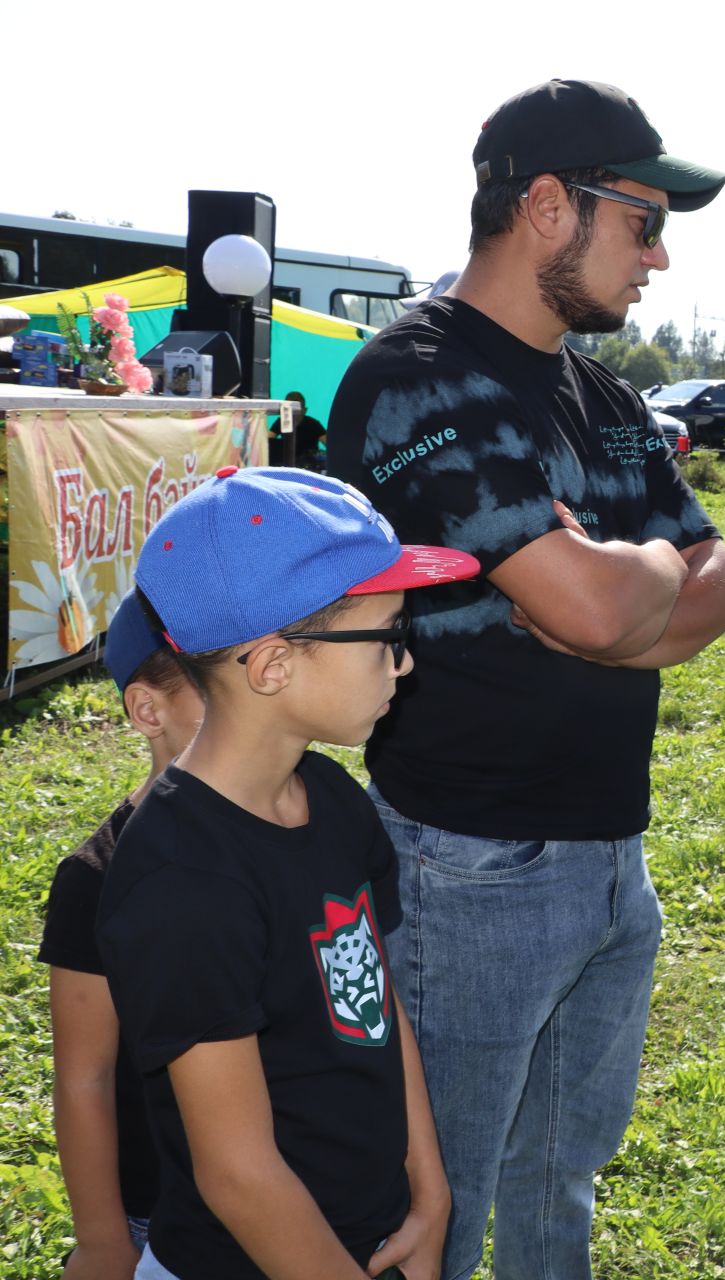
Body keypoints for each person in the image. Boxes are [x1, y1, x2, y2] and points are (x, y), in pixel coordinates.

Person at [325, 79, 725, 1280]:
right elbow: (608, 603)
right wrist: (638, 583)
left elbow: (712, 588)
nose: (660, 256)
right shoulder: (420, 374)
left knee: (560, 1178)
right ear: (548, 206)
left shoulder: (600, 392)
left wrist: (628, 581)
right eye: (644, 221)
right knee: (432, 1202)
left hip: (614, 855)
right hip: (470, 864)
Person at [98, 467, 477, 1280]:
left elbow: (374, 1005)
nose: (403, 665)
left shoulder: (334, 799)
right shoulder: (180, 880)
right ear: (272, 666)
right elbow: (239, 1175)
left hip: (373, 1233)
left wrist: (431, 1194)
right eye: (388, 637)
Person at [38, 602, 203, 1280]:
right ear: (147, 710)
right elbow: (84, 1077)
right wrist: (104, 1240)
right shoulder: (94, 881)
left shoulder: (310, 821)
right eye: (219, 684)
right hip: (161, 1214)